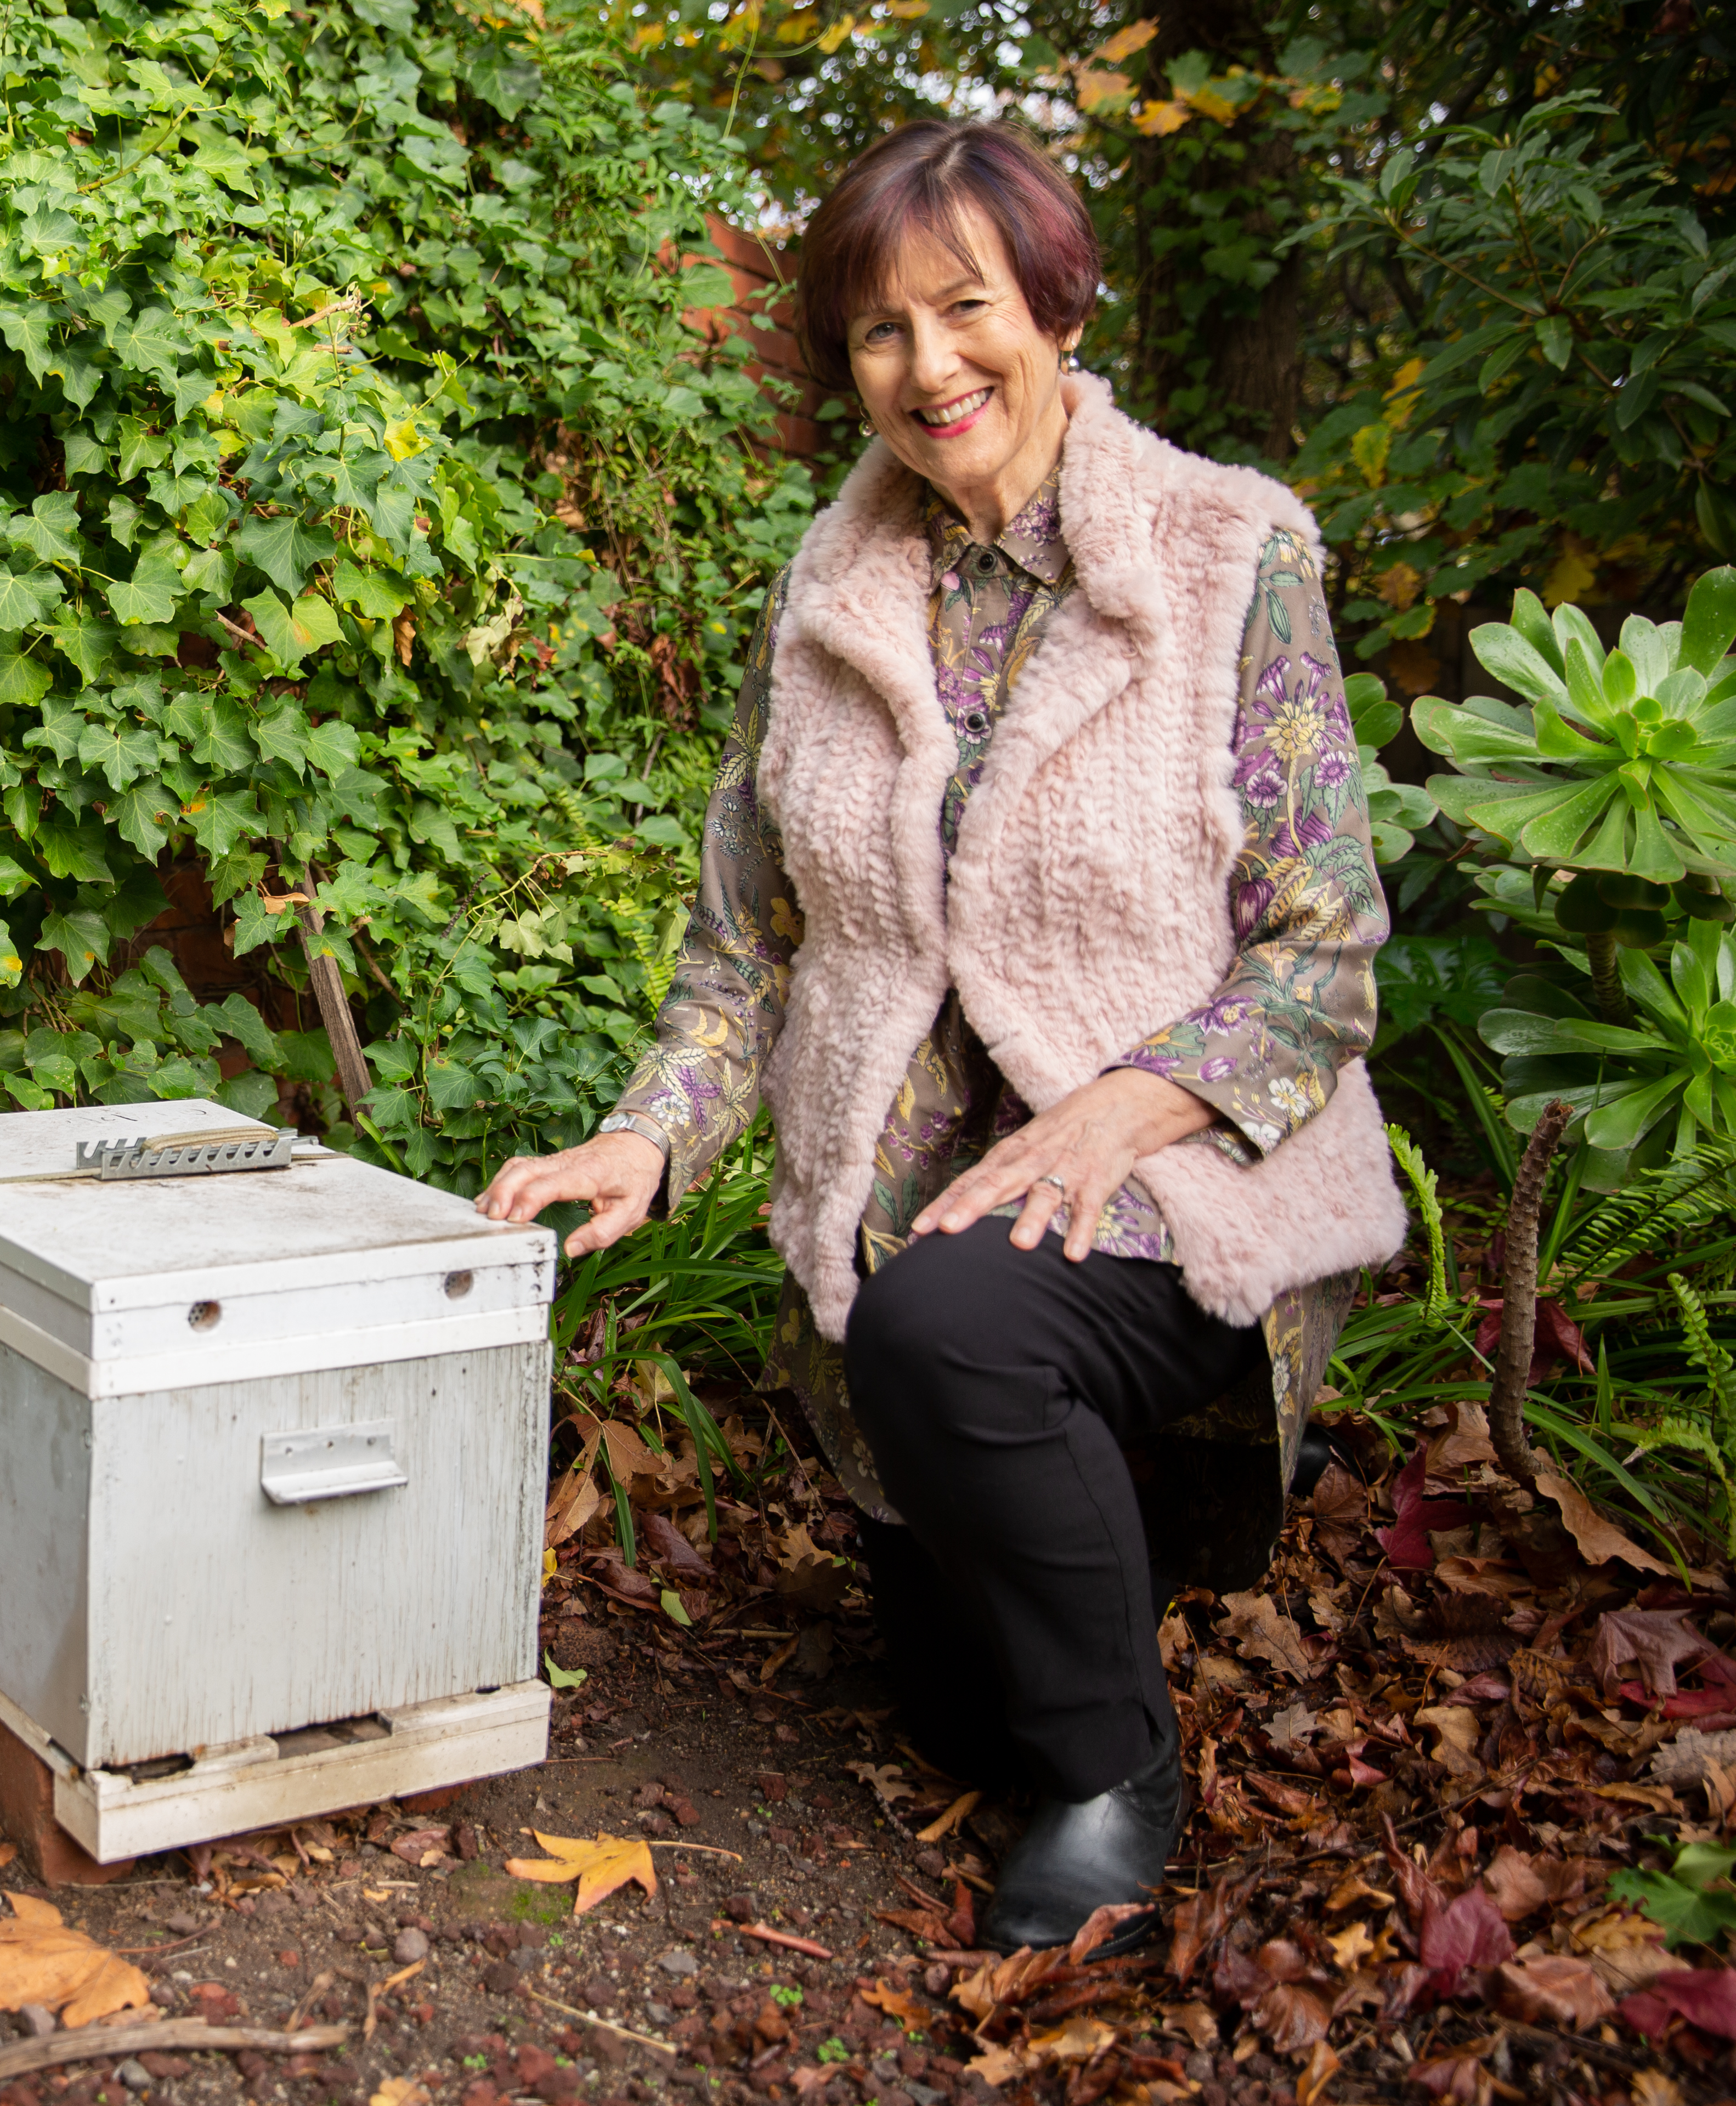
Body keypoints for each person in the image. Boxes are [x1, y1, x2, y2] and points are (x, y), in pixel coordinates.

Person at [475, 119, 1403, 1952]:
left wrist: (1129, 1108)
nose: (930, 368)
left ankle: (1117, 1775)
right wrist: (650, 1133)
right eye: (882, 332)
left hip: (1176, 1167)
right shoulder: (832, 597)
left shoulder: (1231, 552)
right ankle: (1047, 1581)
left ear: (1057, 307)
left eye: (967, 310)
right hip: (907, 1206)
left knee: (956, 1333)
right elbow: (746, 945)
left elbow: (1327, 948)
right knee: (942, 1696)